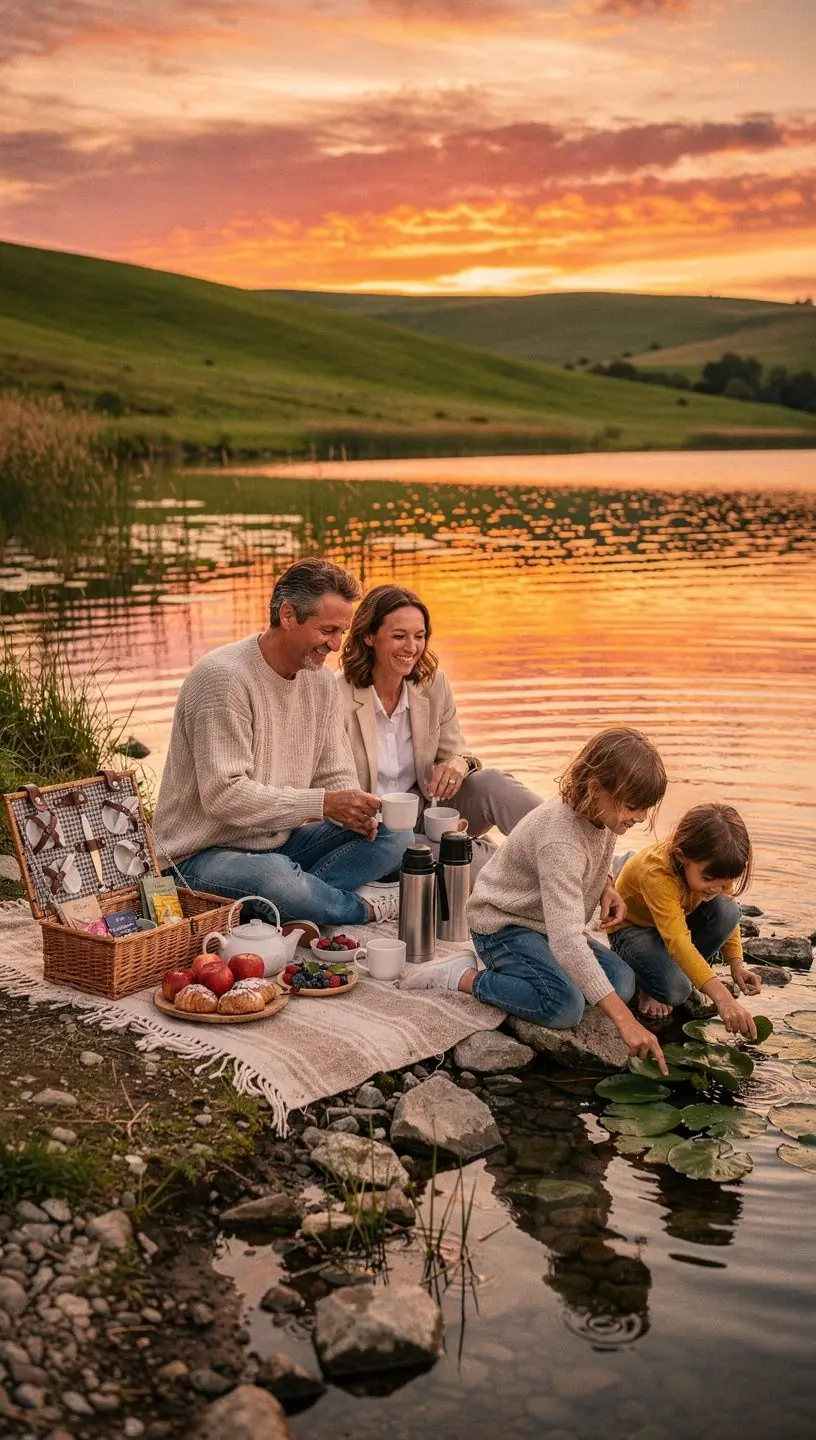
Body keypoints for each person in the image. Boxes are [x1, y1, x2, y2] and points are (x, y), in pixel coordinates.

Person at [152, 559, 411, 927]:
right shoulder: (224, 678)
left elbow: (333, 770)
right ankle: (359, 907)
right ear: (288, 615)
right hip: (197, 855)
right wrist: (323, 804)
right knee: (273, 877)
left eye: (342, 632)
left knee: (396, 835)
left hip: (279, 842)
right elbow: (223, 796)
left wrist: (355, 812)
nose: (336, 645)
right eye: (327, 630)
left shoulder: (319, 682)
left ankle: (295, 903)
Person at [401, 726, 669, 1074]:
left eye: (645, 808)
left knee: (622, 982)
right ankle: (464, 977)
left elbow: (588, 863)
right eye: (633, 807)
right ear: (595, 789)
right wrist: (626, 1022)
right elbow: (569, 941)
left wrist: (605, 885)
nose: (641, 817)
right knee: (564, 1006)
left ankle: (531, 973)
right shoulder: (560, 838)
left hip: (544, 925)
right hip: (503, 925)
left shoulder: (599, 816)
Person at [337, 584, 541, 877]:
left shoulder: (433, 686)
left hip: (426, 811)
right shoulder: (336, 696)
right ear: (369, 637)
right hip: (374, 833)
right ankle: (505, 861)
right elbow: (329, 788)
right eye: (399, 636)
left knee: (493, 783)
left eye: (419, 636)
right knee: (474, 863)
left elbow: (458, 752)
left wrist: (459, 763)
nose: (412, 647)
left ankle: (573, 848)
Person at [608, 803, 760, 1037]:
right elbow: (679, 942)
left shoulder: (713, 871)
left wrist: (736, 963)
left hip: (669, 928)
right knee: (677, 990)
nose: (718, 888)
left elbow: (725, 913)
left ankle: (678, 971)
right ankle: (645, 985)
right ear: (681, 855)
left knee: (728, 909)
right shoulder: (657, 873)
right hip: (631, 930)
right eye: (709, 878)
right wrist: (723, 997)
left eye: (726, 882)